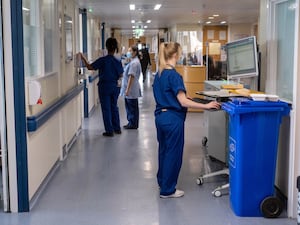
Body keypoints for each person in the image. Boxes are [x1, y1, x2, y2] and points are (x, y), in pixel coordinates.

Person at [152, 42, 220, 198]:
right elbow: (182, 102)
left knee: (164, 150)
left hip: (160, 117)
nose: (181, 55)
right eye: (180, 53)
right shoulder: (174, 75)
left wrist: (185, 98)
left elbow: (169, 95)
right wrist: (207, 106)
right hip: (172, 119)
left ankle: (163, 181)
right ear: (175, 55)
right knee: (173, 154)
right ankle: (168, 190)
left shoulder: (160, 74)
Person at [77, 37, 123, 137]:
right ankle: (117, 128)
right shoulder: (117, 61)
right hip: (114, 86)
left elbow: (90, 67)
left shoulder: (103, 60)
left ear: (106, 47)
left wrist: (83, 57)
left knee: (106, 108)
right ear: (115, 48)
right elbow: (120, 74)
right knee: (114, 107)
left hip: (104, 87)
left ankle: (109, 131)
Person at [120, 46, 142, 129]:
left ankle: (132, 124)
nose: (128, 52)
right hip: (131, 88)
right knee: (131, 107)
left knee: (131, 107)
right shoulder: (133, 61)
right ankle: (131, 122)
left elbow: (131, 77)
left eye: (130, 51)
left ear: (135, 52)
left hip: (131, 89)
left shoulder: (134, 63)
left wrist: (127, 89)